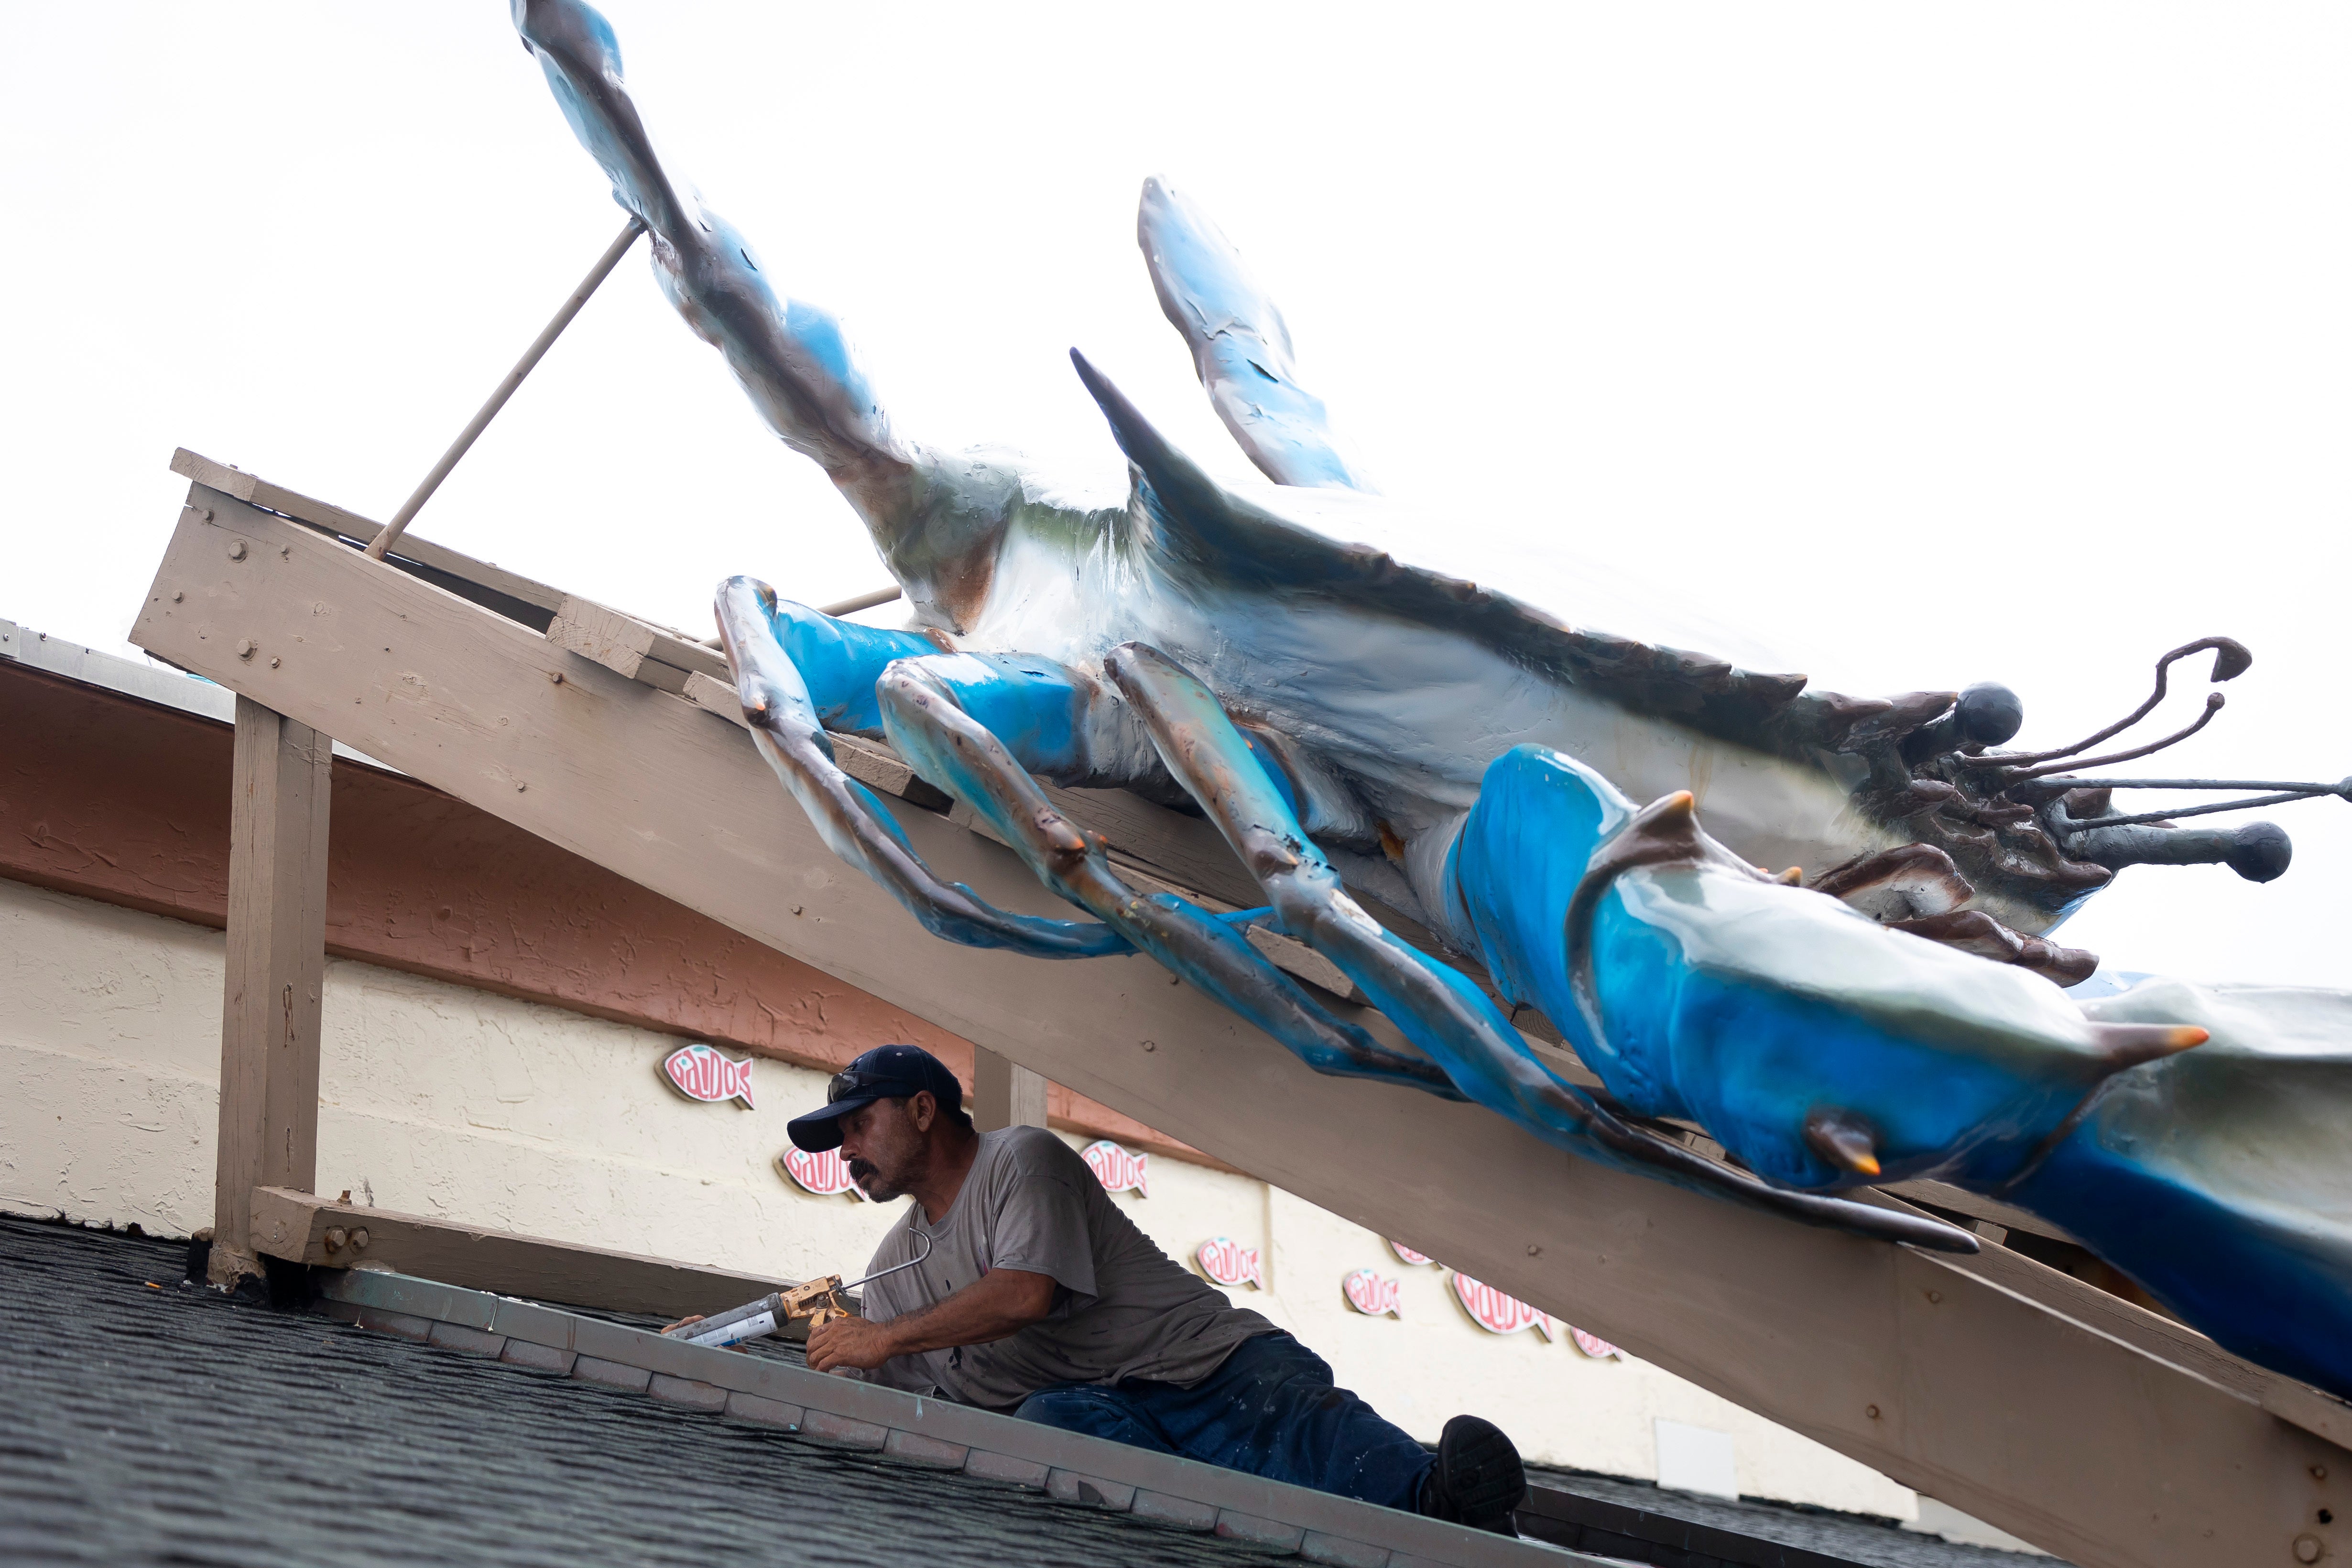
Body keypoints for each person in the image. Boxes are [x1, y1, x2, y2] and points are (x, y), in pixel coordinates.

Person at [781, 1044, 1527, 1533]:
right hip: (1110, 1410)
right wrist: (703, 1353)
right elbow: (857, 1369)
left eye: (855, 1126)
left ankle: (1447, 1503)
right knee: (1047, 1424)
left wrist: (881, 1335)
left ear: (921, 1109)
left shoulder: (1020, 1161)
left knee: (1297, 1432)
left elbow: (1022, 1295)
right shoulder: (898, 1257)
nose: (845, 1152)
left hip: (1209, 1368)